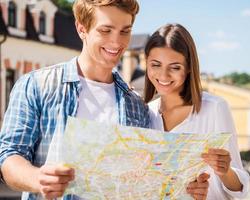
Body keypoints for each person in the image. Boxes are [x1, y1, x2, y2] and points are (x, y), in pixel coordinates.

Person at [0, 0, 150, 199]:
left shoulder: (137, 106)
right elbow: (9, 156)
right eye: (105, 30)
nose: (117, 42)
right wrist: (38, 178)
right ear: (82, 28)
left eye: (125, 31)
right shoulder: (36, 85)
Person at [144, 23, 250, 200]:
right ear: (146, 63)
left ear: (189, 68)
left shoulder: (215, 108)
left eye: (175, 67)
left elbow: (240, 189)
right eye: (156, 65)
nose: (163, 75)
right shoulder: (147, 114)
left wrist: (225, 172)